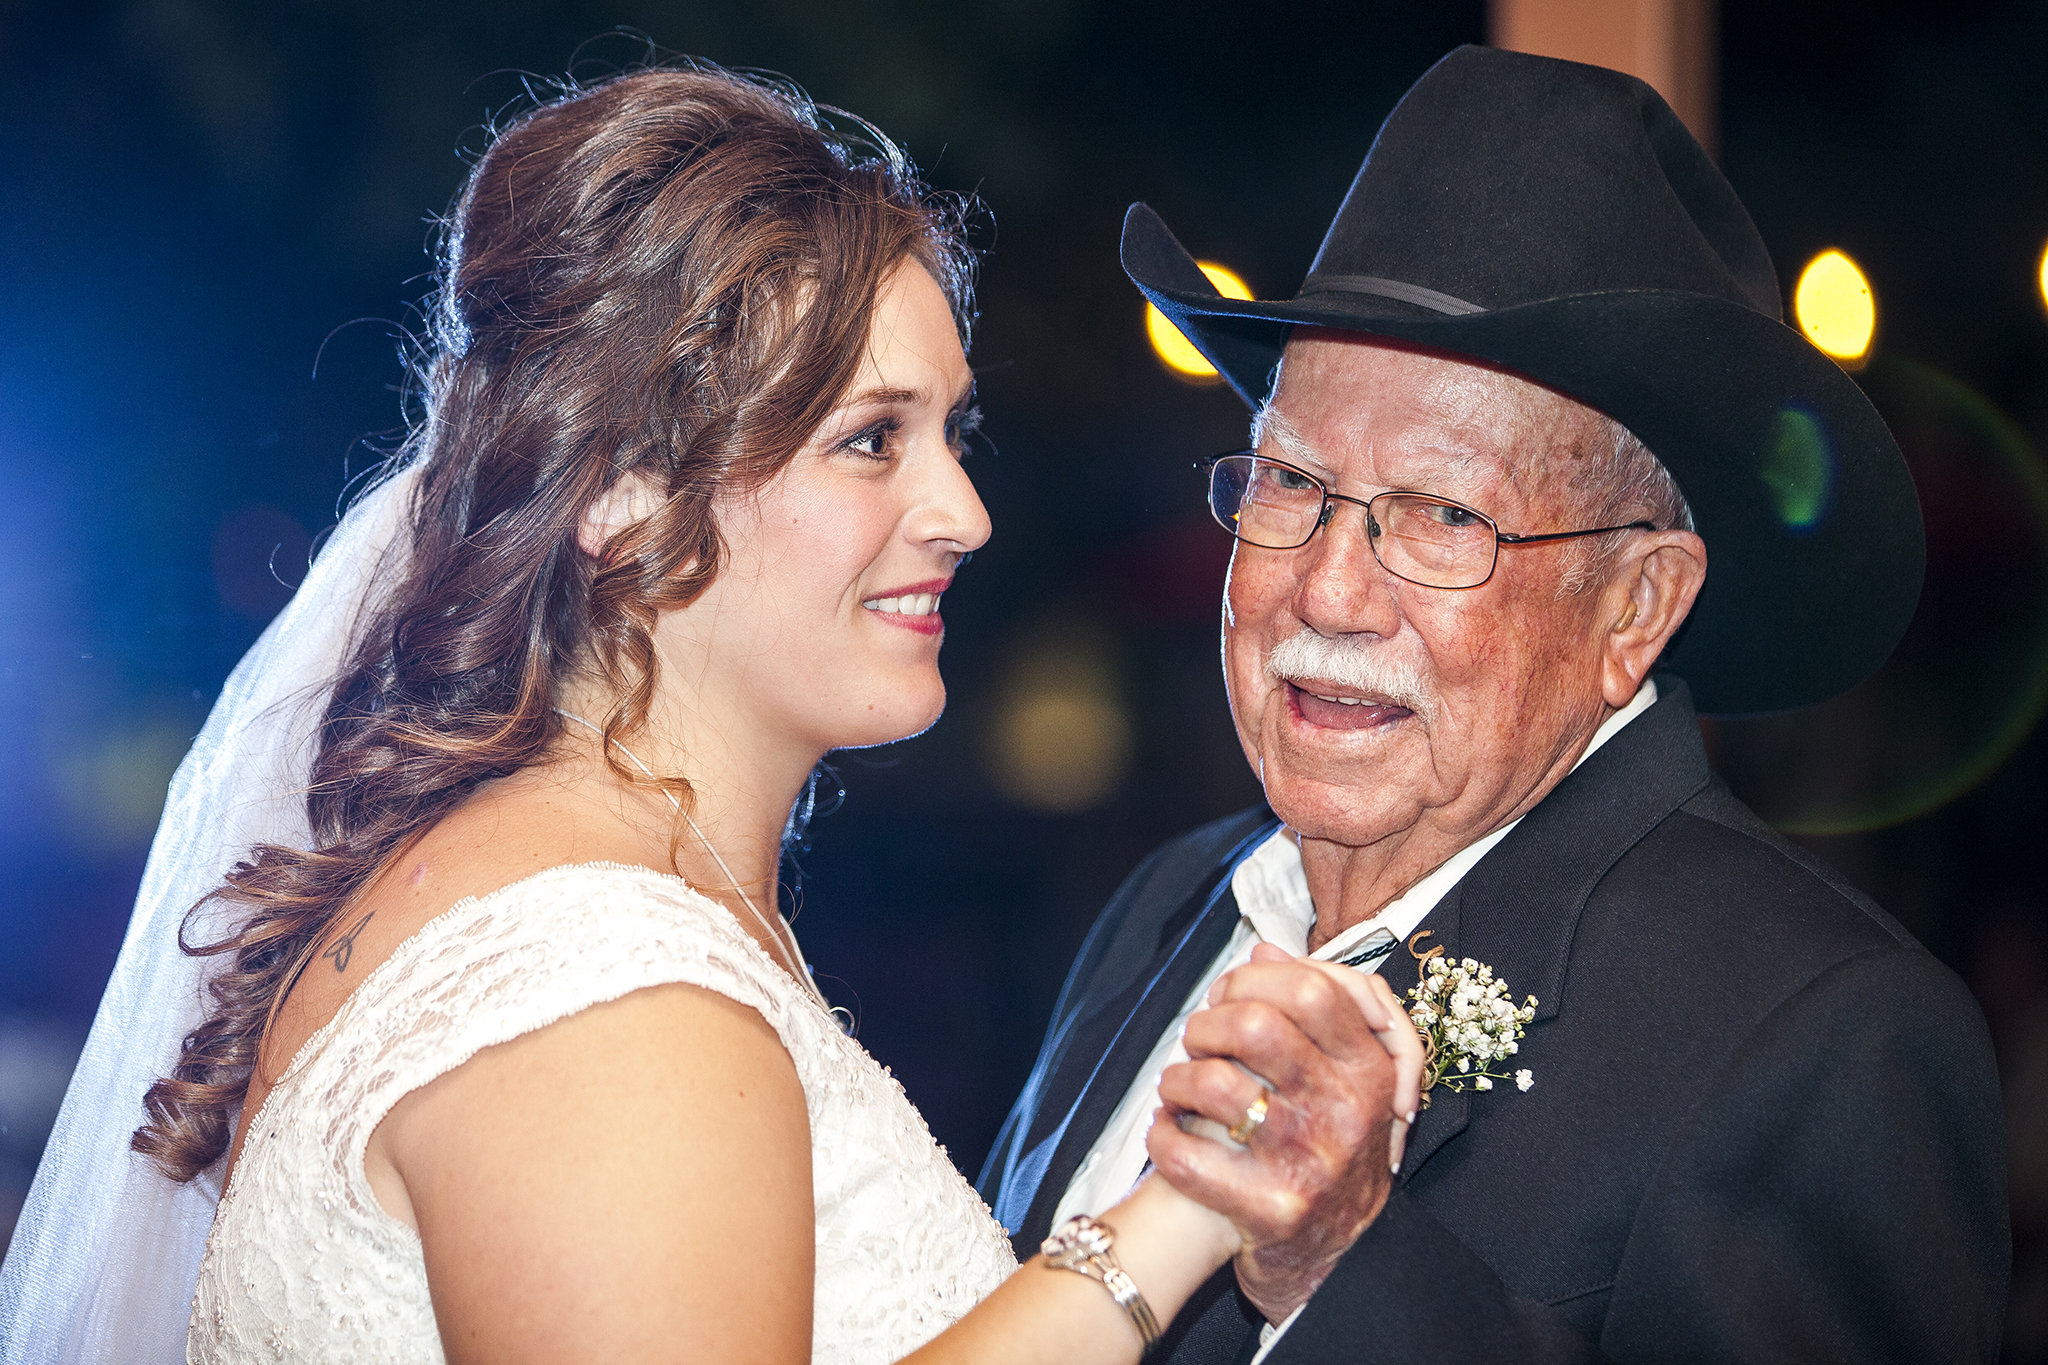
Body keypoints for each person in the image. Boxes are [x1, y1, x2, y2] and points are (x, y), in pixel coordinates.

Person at [0, 66, 1428, 1363]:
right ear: (620, 494)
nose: (966, 513)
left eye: (954, 432)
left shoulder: (577, 898)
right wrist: (1169, 1222)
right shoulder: (597, 992)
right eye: (870, 439)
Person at [981, 45, 2012, 1364]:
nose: (1330, 591)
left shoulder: (1827, 1039)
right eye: (1291, 484)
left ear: (1635, 607)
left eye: (1444, 515)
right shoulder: (1162, 910)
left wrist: (1341, 1269)